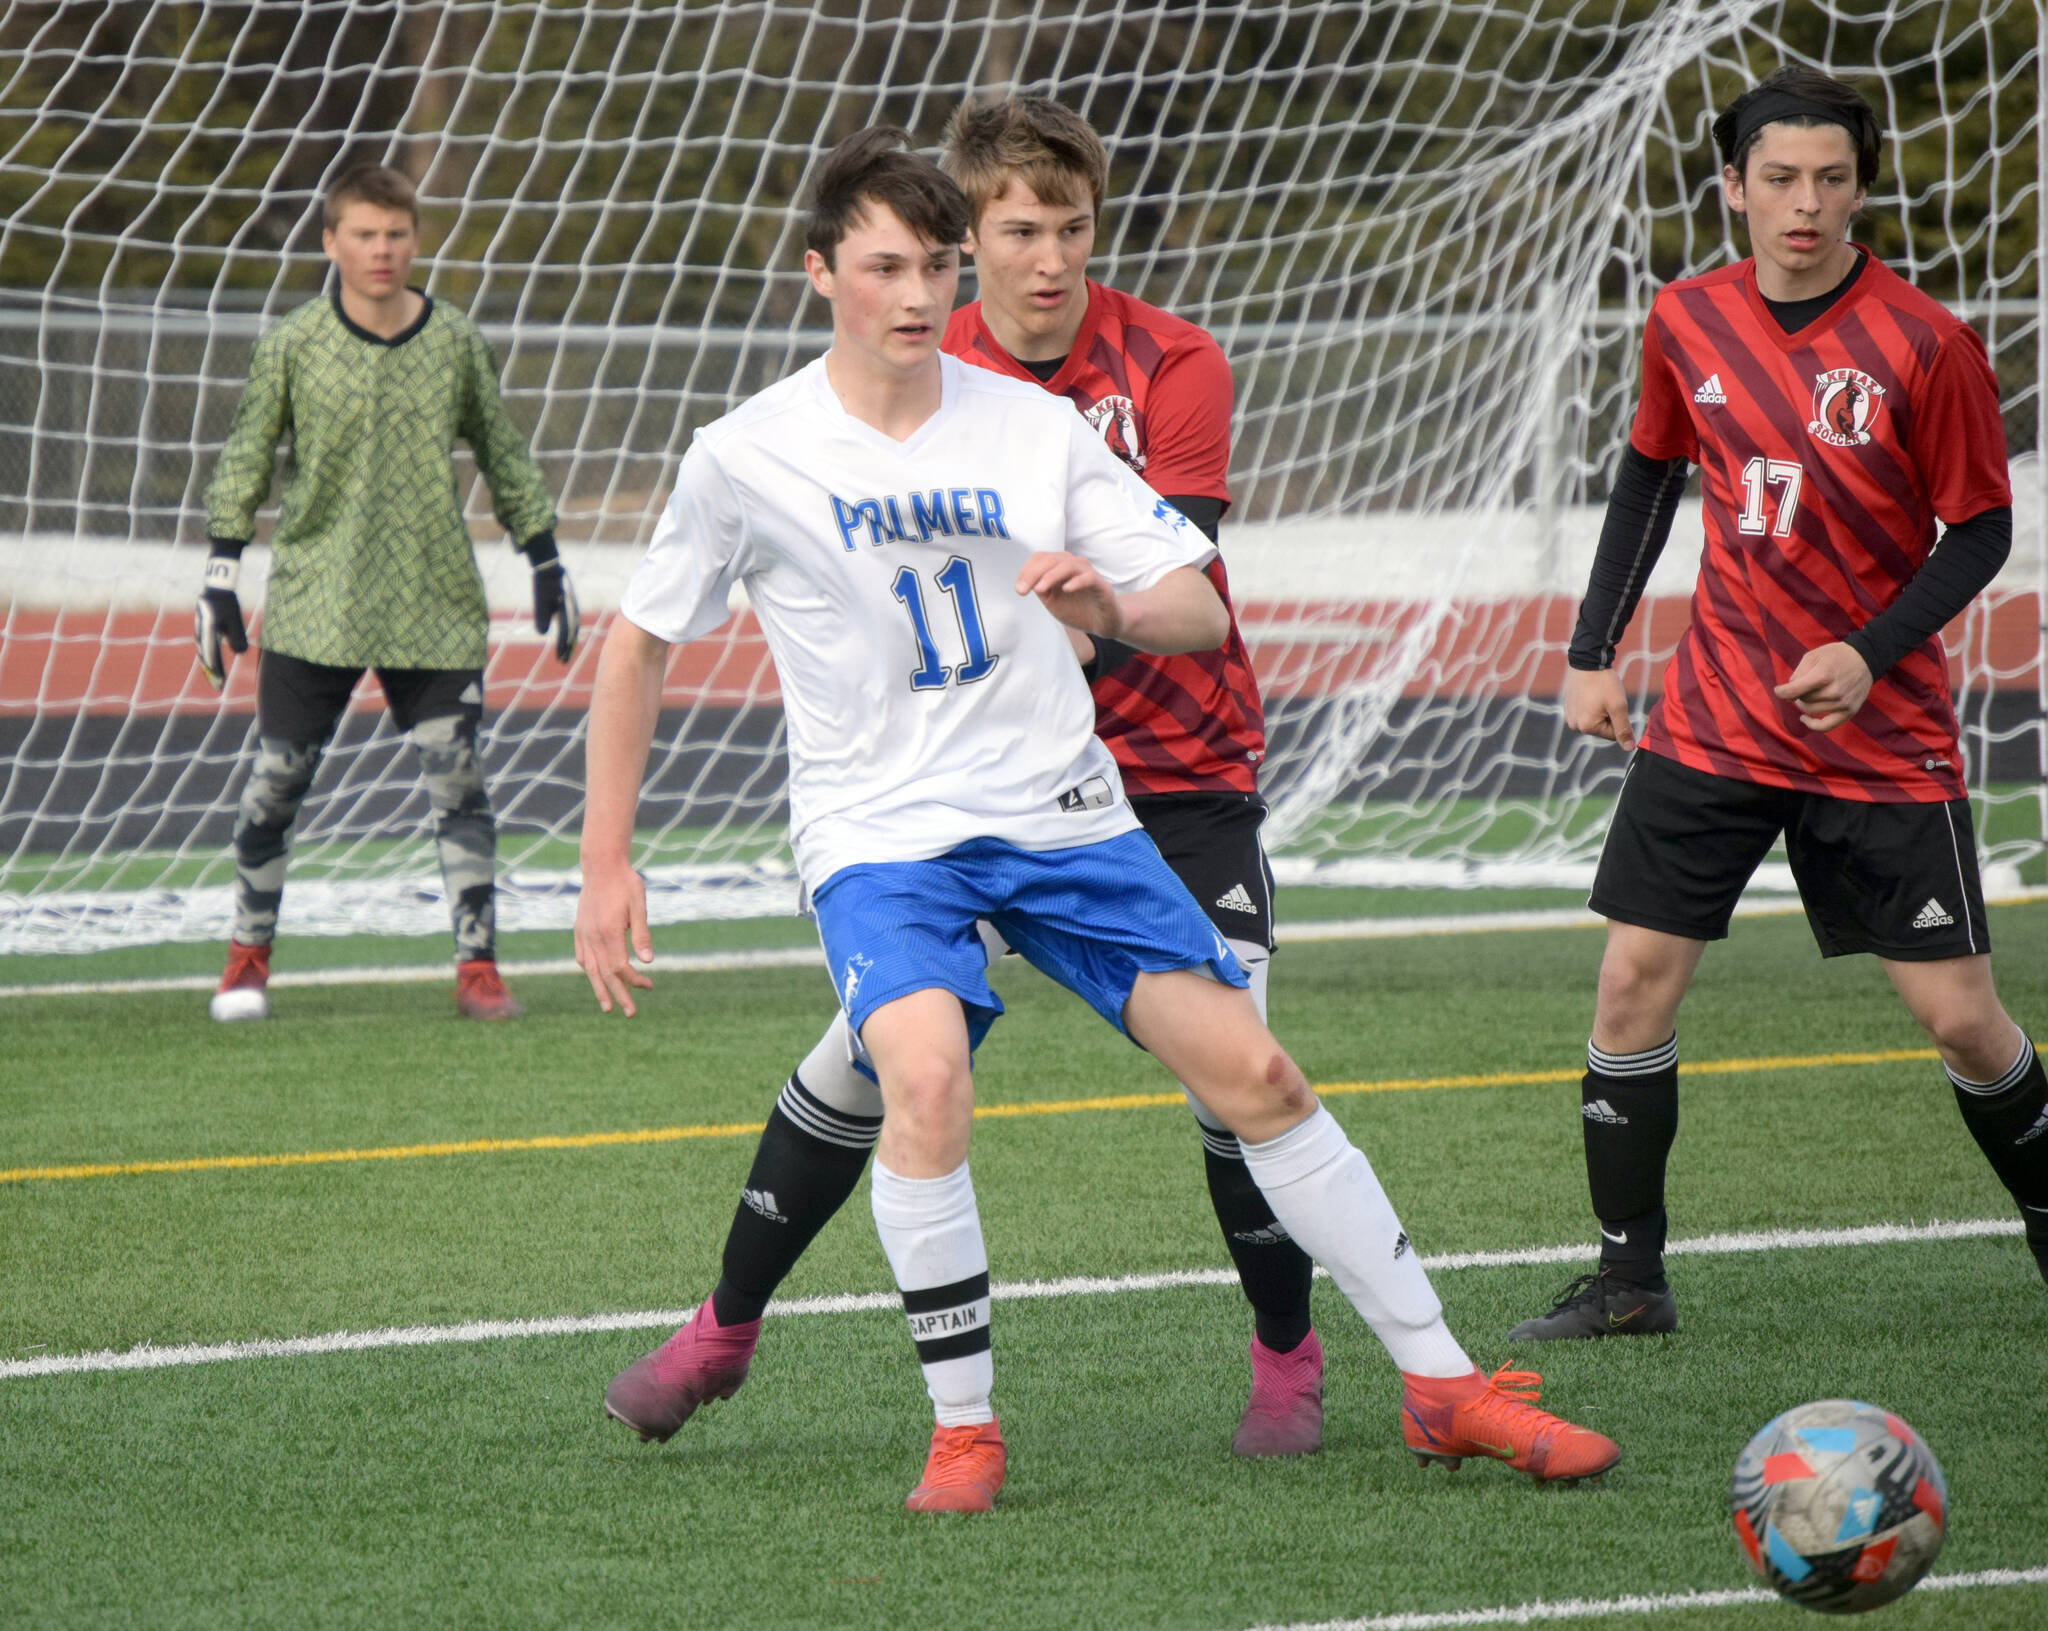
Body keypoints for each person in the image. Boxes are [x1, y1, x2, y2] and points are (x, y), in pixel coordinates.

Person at [576, 126, 1618, 1514]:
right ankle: (964, 1429)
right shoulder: (745, 452)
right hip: (883, 835)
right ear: (820, 270)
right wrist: (603, 863)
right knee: (925, 1075)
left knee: (1262, 1079)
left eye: (935, 268)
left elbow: (1196, 604)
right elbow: (638, 642)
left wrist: (1109, 605)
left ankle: (1441, 1384)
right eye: (883, 266)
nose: (913, 296)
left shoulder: (1031, 425)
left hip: (1068, 818)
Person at [599, 94, 1322, 1464]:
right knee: (871, 1067)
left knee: (1240, 1070)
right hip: (967, 800)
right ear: (963, 243)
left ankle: (1287, 1349)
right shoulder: (914, 370)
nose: (1047, 260)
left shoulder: (1168, 363)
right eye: (1013, 233)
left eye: (1073, 230)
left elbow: (1172, 575)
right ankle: (724, 1325)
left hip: (1170, 778)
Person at [1509, 65, 2043, 1341]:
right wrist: (1593, 649)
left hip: (1877, 734)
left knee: (1960, 1020)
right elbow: (1646, 480)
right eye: (1778, 179)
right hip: (1709, 718)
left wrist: (1866, 648)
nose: (1803, 205)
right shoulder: (1683, 319)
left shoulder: (1923, 342)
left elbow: (1976, 530)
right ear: (1732, 187)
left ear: (1859, 189)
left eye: (1830, 181)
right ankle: (1628, 1278)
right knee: (1629, 984)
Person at [198, 163, 579, 1024]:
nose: (382, 250)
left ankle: (478, 969)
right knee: (274, 788)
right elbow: (246, 458)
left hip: (433, 604)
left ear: (416, 239)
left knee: (460, 786)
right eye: (364, 235)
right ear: (331, 242)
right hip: (314, 602)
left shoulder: (452, 340)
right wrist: (220, 575)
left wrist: (546, 557)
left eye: (396, 234)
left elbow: (503, 453)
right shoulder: (294, 342)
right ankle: (246, 961)